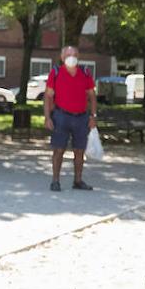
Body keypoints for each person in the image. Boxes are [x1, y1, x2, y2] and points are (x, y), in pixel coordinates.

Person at [44, 45, 97, 192]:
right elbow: (48, 96)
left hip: (81, 117)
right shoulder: (55, 72)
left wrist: (93, 116)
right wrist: (47, 117)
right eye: (68, 54)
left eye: (74, 54)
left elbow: (92, 96)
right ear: (62, 57)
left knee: (79, 151)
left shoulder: (85, 72)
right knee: (58, 150)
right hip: (61, 116)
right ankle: (55, 181)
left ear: (78, 56)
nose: (71, 57)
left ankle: (78, 181)